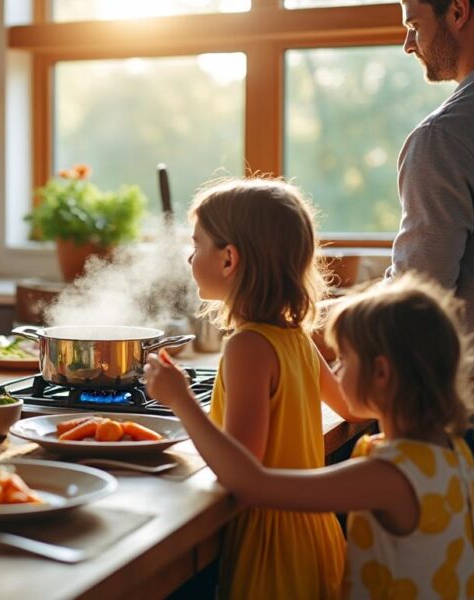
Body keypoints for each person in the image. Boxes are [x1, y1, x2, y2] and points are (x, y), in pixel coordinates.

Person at [146, 274, 474, 599]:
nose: (336, 370)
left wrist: (181, 400)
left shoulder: (389, 475)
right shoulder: (452, 451)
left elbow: (251, 485)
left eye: (343, 359)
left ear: (381, 373)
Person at [180, 178, 356, 599]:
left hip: (270, 548)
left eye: (197, 243)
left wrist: (179, 400)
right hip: (315, 535)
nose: (190, 256)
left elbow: (243, 470)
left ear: (228, 260)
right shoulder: (295, 336)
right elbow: (353, 409)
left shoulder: (247, 346)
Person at [389, 0, 474, 573]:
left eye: (413, 24)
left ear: (458, 12)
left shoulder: (449, 135)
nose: (408, 44)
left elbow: (416, 296)